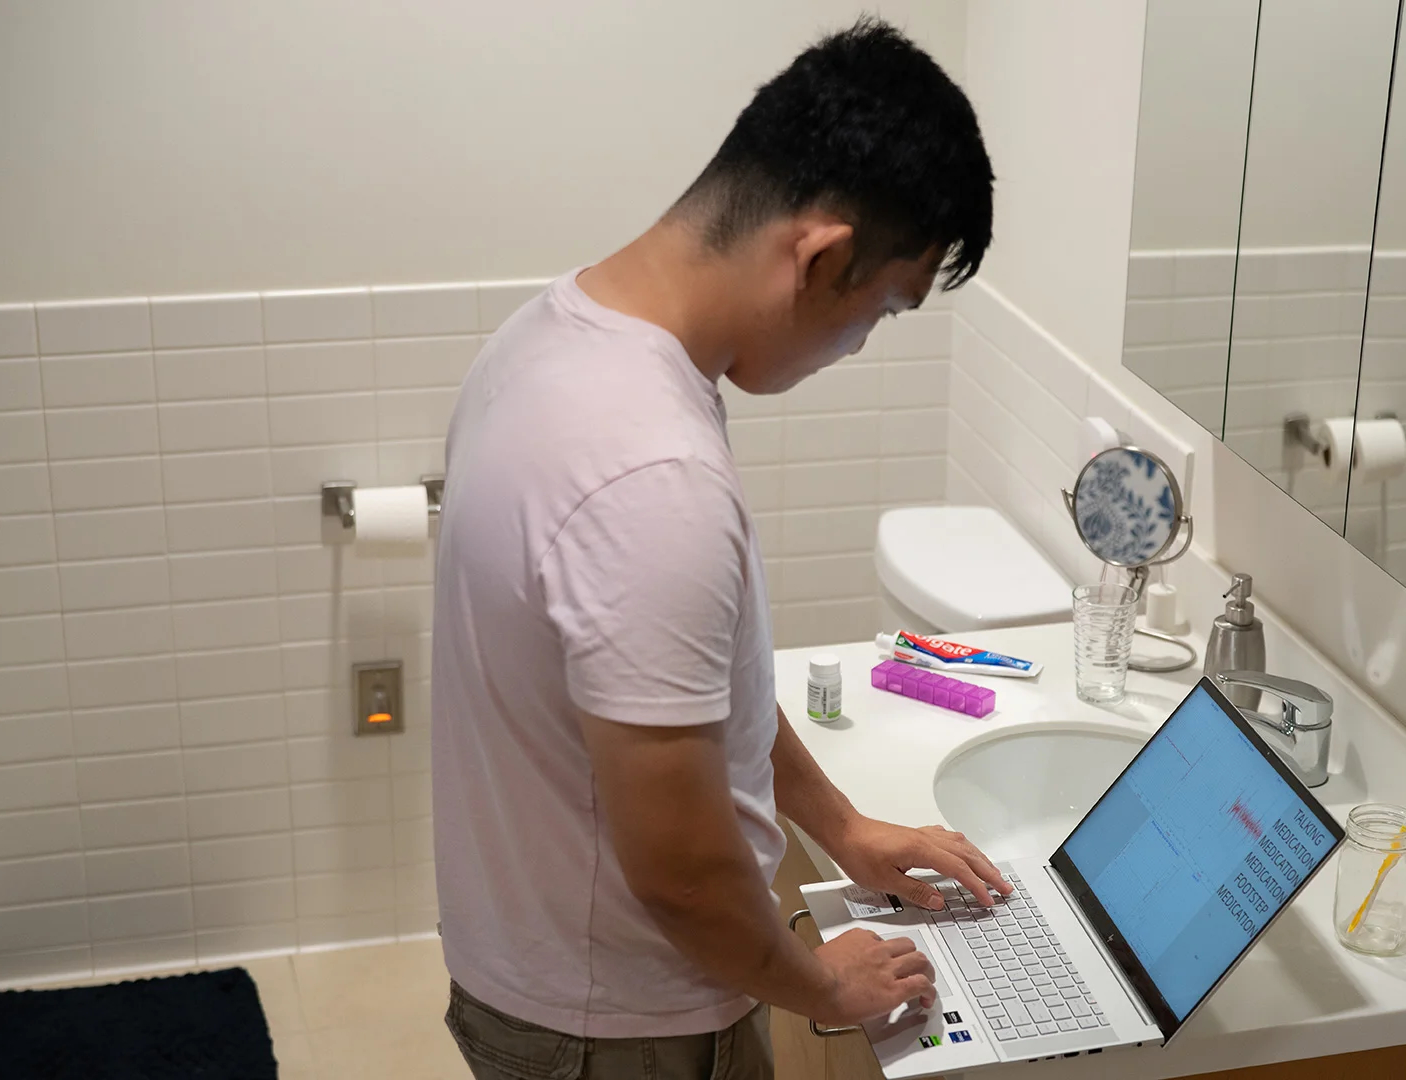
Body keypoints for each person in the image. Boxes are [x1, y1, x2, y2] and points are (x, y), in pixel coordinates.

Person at [430, 18, 1004, 1080]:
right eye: (882, 306)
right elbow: (683, 871)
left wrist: (841, 823)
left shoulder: (553, 339)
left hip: (542, 971)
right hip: (617, 1028)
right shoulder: (652, 475)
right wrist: (823, 981)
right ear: (822, 254)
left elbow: (688, 695)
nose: (860, 344)